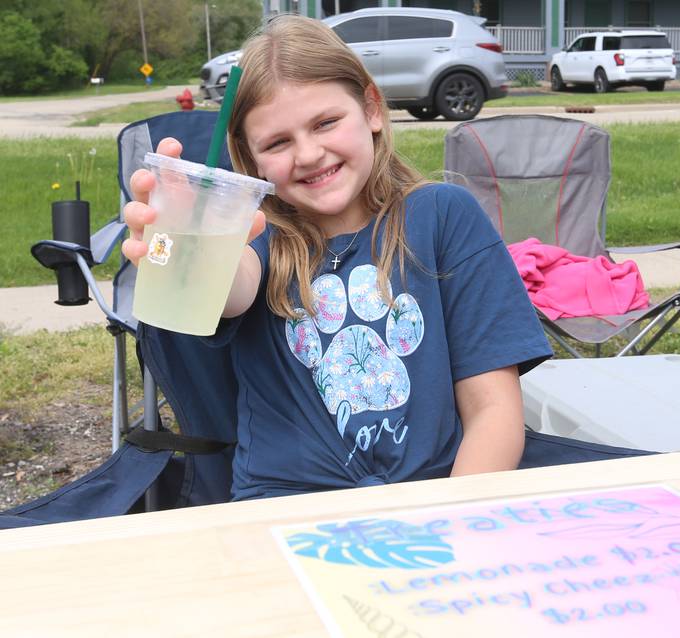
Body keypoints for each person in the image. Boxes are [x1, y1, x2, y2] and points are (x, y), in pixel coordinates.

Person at [122, 14, 552, 502]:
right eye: (278, 142)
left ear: (371, 108)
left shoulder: (442, 217)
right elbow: (230, 288)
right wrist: (187, 246)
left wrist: (451, 523)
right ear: (250, 156)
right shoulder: (259, 237)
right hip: (284, 507)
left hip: (435, 500)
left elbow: (494, 412)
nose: (307, 154)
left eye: (325, 123)